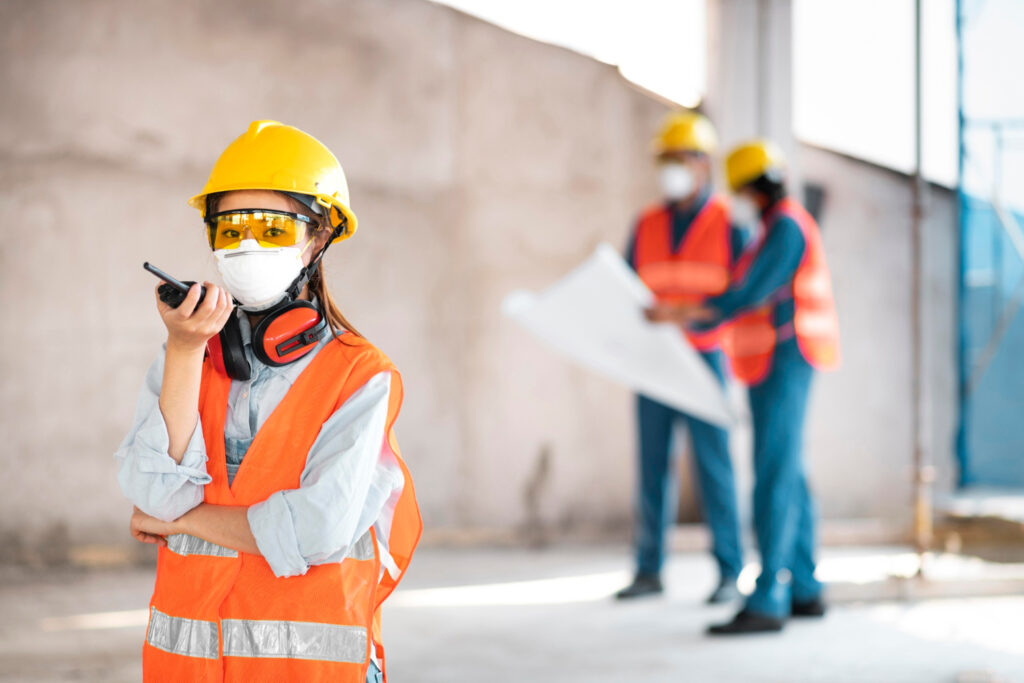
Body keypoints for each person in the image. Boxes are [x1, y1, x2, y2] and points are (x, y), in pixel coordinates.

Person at [115, 120, 421, 681]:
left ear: (319, 236)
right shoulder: (190, 354)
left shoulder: (361, 375)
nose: (247, 243)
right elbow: (151, 492)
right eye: (229, 229)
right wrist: (184, 349)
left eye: (271, 228)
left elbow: (315, 530)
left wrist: (184, 521)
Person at [692, 140, 840, 634]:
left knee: (774, 475)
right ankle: (804, 587)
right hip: (777, 362)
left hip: (785, 360)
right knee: (790, 473)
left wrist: (692, 312)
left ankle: (768, 598)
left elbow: (751, 292)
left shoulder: (786, 228)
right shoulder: (775, 227)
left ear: (747, 189)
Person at [616, 112, 746, 604]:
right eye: (663, 160)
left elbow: (743, 295)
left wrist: (689, 316)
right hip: (653, 361)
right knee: (652, 466)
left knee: (714, 468)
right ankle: (648, 570)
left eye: (678, 159)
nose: (669, 169)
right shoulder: (647, 223)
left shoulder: (728, 222)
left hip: (706, 358)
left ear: (702, 164)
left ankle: (730, 573)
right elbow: (627, 286)